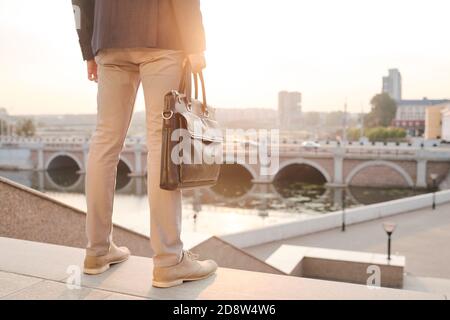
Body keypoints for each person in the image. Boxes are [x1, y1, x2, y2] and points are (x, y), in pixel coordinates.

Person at [72, 0, 217, 288]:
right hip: (162, 36)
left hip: (108, 38)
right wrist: (195, 43)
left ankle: (97, 251)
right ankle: (168, 261)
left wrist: (89, 50)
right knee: (162, 145)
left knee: (104, 143)